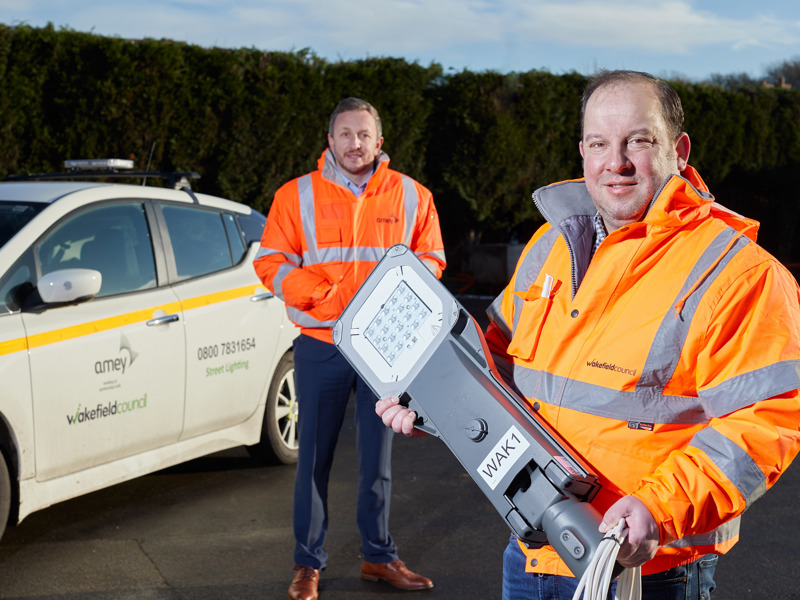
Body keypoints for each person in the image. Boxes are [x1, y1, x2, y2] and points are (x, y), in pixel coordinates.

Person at [377, 70, 800, 599]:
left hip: (647, 568)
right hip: (531, 551)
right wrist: (433, 405)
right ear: (582, 151)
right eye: (599, 143)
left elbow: (763, 423)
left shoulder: (738, 273)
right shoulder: (550, 245)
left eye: (639, 141)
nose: (616, 163)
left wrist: (659, 508)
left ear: (680, 149)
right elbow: (496, 362)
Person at [254, 97, 445, 600]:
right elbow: (271, 262)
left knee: (377, 462)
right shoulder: (295, 196)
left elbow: (432, 261)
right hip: (321, 344)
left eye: (364, 134)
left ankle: (378, 558)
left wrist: (390, 311)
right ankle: (307, 565)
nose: (354, 143)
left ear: (379, 142)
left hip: (383, 352)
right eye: (345, 134)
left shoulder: (412, 195)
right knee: (312, 459)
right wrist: (323, 297)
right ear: (330, 141)